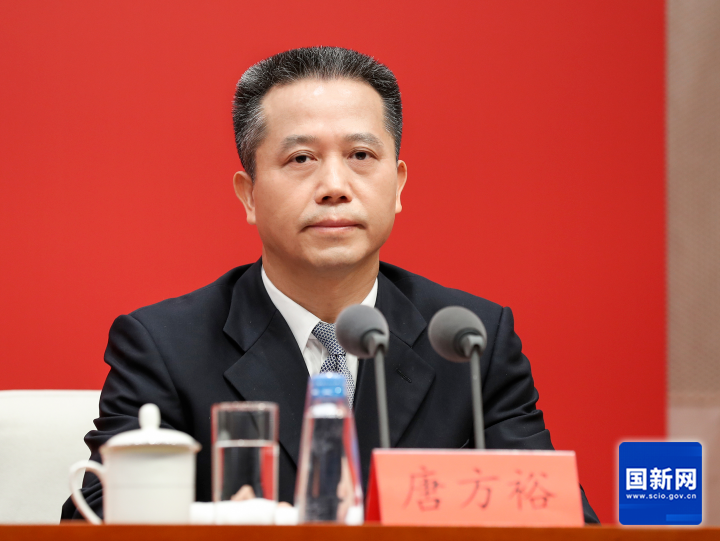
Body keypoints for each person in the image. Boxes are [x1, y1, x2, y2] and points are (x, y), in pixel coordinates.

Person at [62, 46, 599, 523]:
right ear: (248, 194)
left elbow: (559, 516)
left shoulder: (470, 341)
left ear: (398, 185)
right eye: (301, 159)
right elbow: (94, 519)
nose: (335, 186)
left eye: (361, 156)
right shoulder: (164, 346)